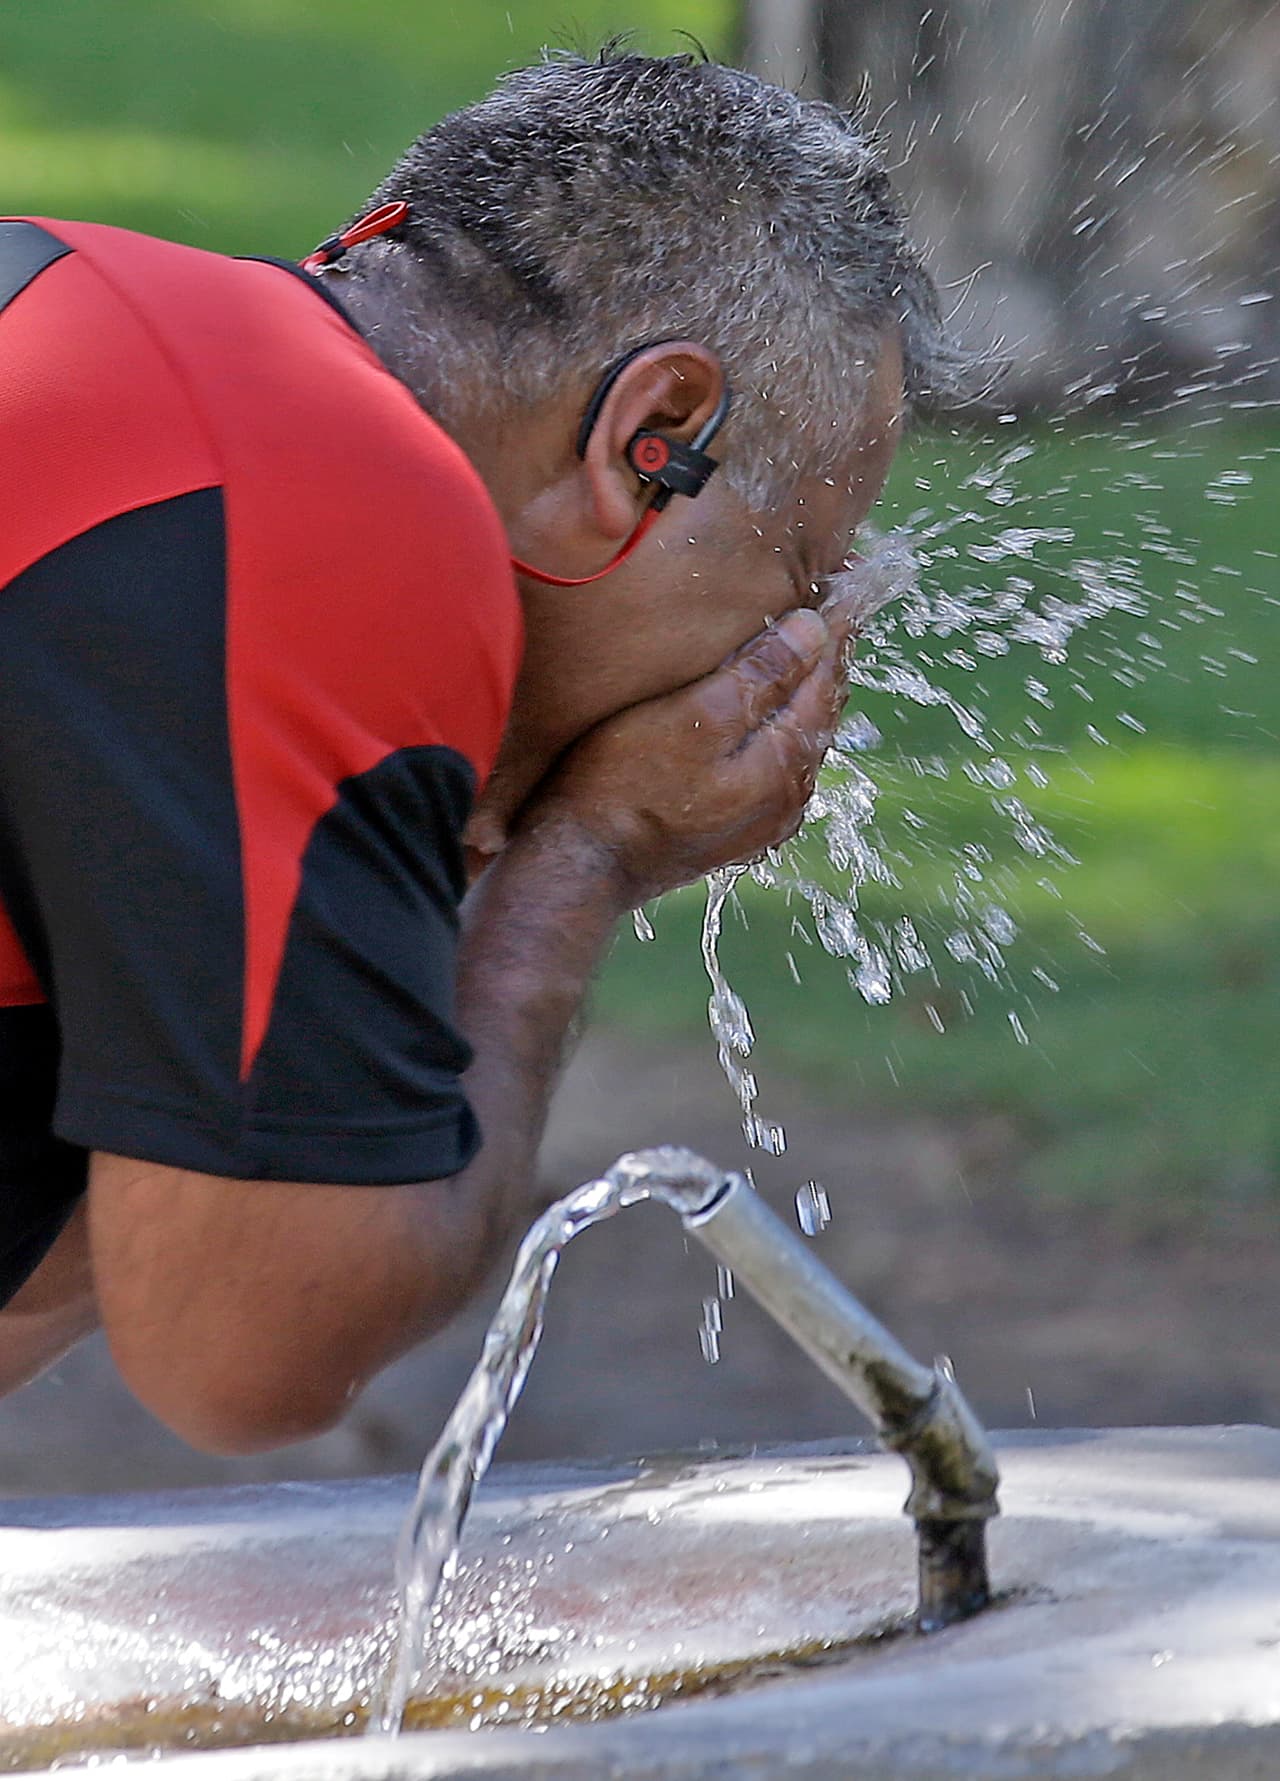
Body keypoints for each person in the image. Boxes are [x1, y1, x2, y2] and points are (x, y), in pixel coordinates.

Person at [0, 48, 960, 1454]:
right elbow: (250, 1347)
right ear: (653, 439)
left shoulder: (112, 343)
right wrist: (588, 856)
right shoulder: (337, 504)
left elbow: (99, 1265)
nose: (793, 641)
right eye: (802, 568)